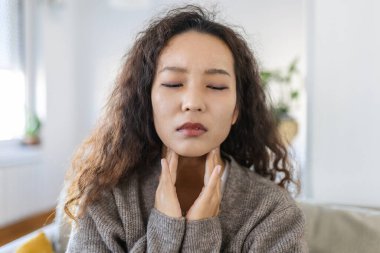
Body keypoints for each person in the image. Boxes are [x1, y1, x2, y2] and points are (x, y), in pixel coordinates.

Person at [63, 5, 307, 253]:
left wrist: (199, 231)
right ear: (147, 101)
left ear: (236, 110)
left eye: (215, 86)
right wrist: (165, 228)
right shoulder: (106, 201)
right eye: (173, 83)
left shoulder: (272, 212)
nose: (193, 103)